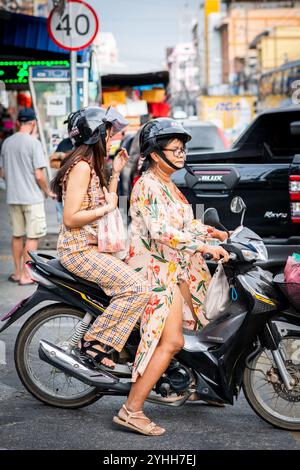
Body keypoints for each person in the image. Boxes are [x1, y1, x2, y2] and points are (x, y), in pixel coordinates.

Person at [113, 118, 229, 436]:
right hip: (152, 270)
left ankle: (194, 386)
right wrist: (203, 245)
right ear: (154, 153)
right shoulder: (148, 185)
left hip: (173, 267)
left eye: (183, 148)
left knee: (199, 324)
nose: (181, 154)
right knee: (172, 340)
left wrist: (215, 233)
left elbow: (184, 225)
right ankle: (131, 410)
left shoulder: (168, 185)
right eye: (174, 149)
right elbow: (163, 232)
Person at [51, 106, 155, 373]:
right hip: (79, 250)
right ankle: (94, 343)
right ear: (95, 135)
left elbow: (106, 201)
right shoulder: (81, 168)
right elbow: (71, 218)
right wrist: (106, 208)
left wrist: (116, 172)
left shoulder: (92, 166)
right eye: (108, 135)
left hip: (94, 246)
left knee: (143, 276)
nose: (112, 140)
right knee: (138, 288)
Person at [0, 108, 55, 285]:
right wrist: (47, 191)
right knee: (32, 237)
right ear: (33, 124)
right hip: (32, 198)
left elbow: (2, 173)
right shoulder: (34, 143)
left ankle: (17, 273)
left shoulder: (7, 143)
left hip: (13, 198)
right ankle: (26, 276)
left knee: (17, 235)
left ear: (18, 123)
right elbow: (39, 175)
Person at [49, 137, 74, 224]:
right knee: (62, 221)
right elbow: (52, 161)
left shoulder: (85, 142)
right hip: (62, 189)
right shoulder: (65, 142)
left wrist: (63, 156)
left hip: (76, 188)